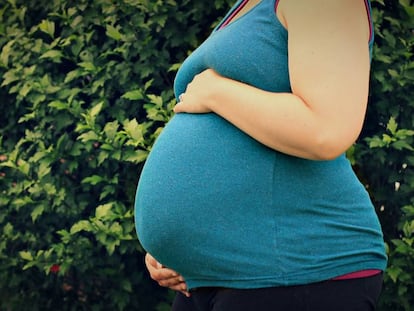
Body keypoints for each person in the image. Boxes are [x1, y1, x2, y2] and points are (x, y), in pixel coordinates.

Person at [134, 0, 388, 310]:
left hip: (297, 272)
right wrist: (182, 250)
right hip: (220, 279)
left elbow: (327, 129)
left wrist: (216, 92)